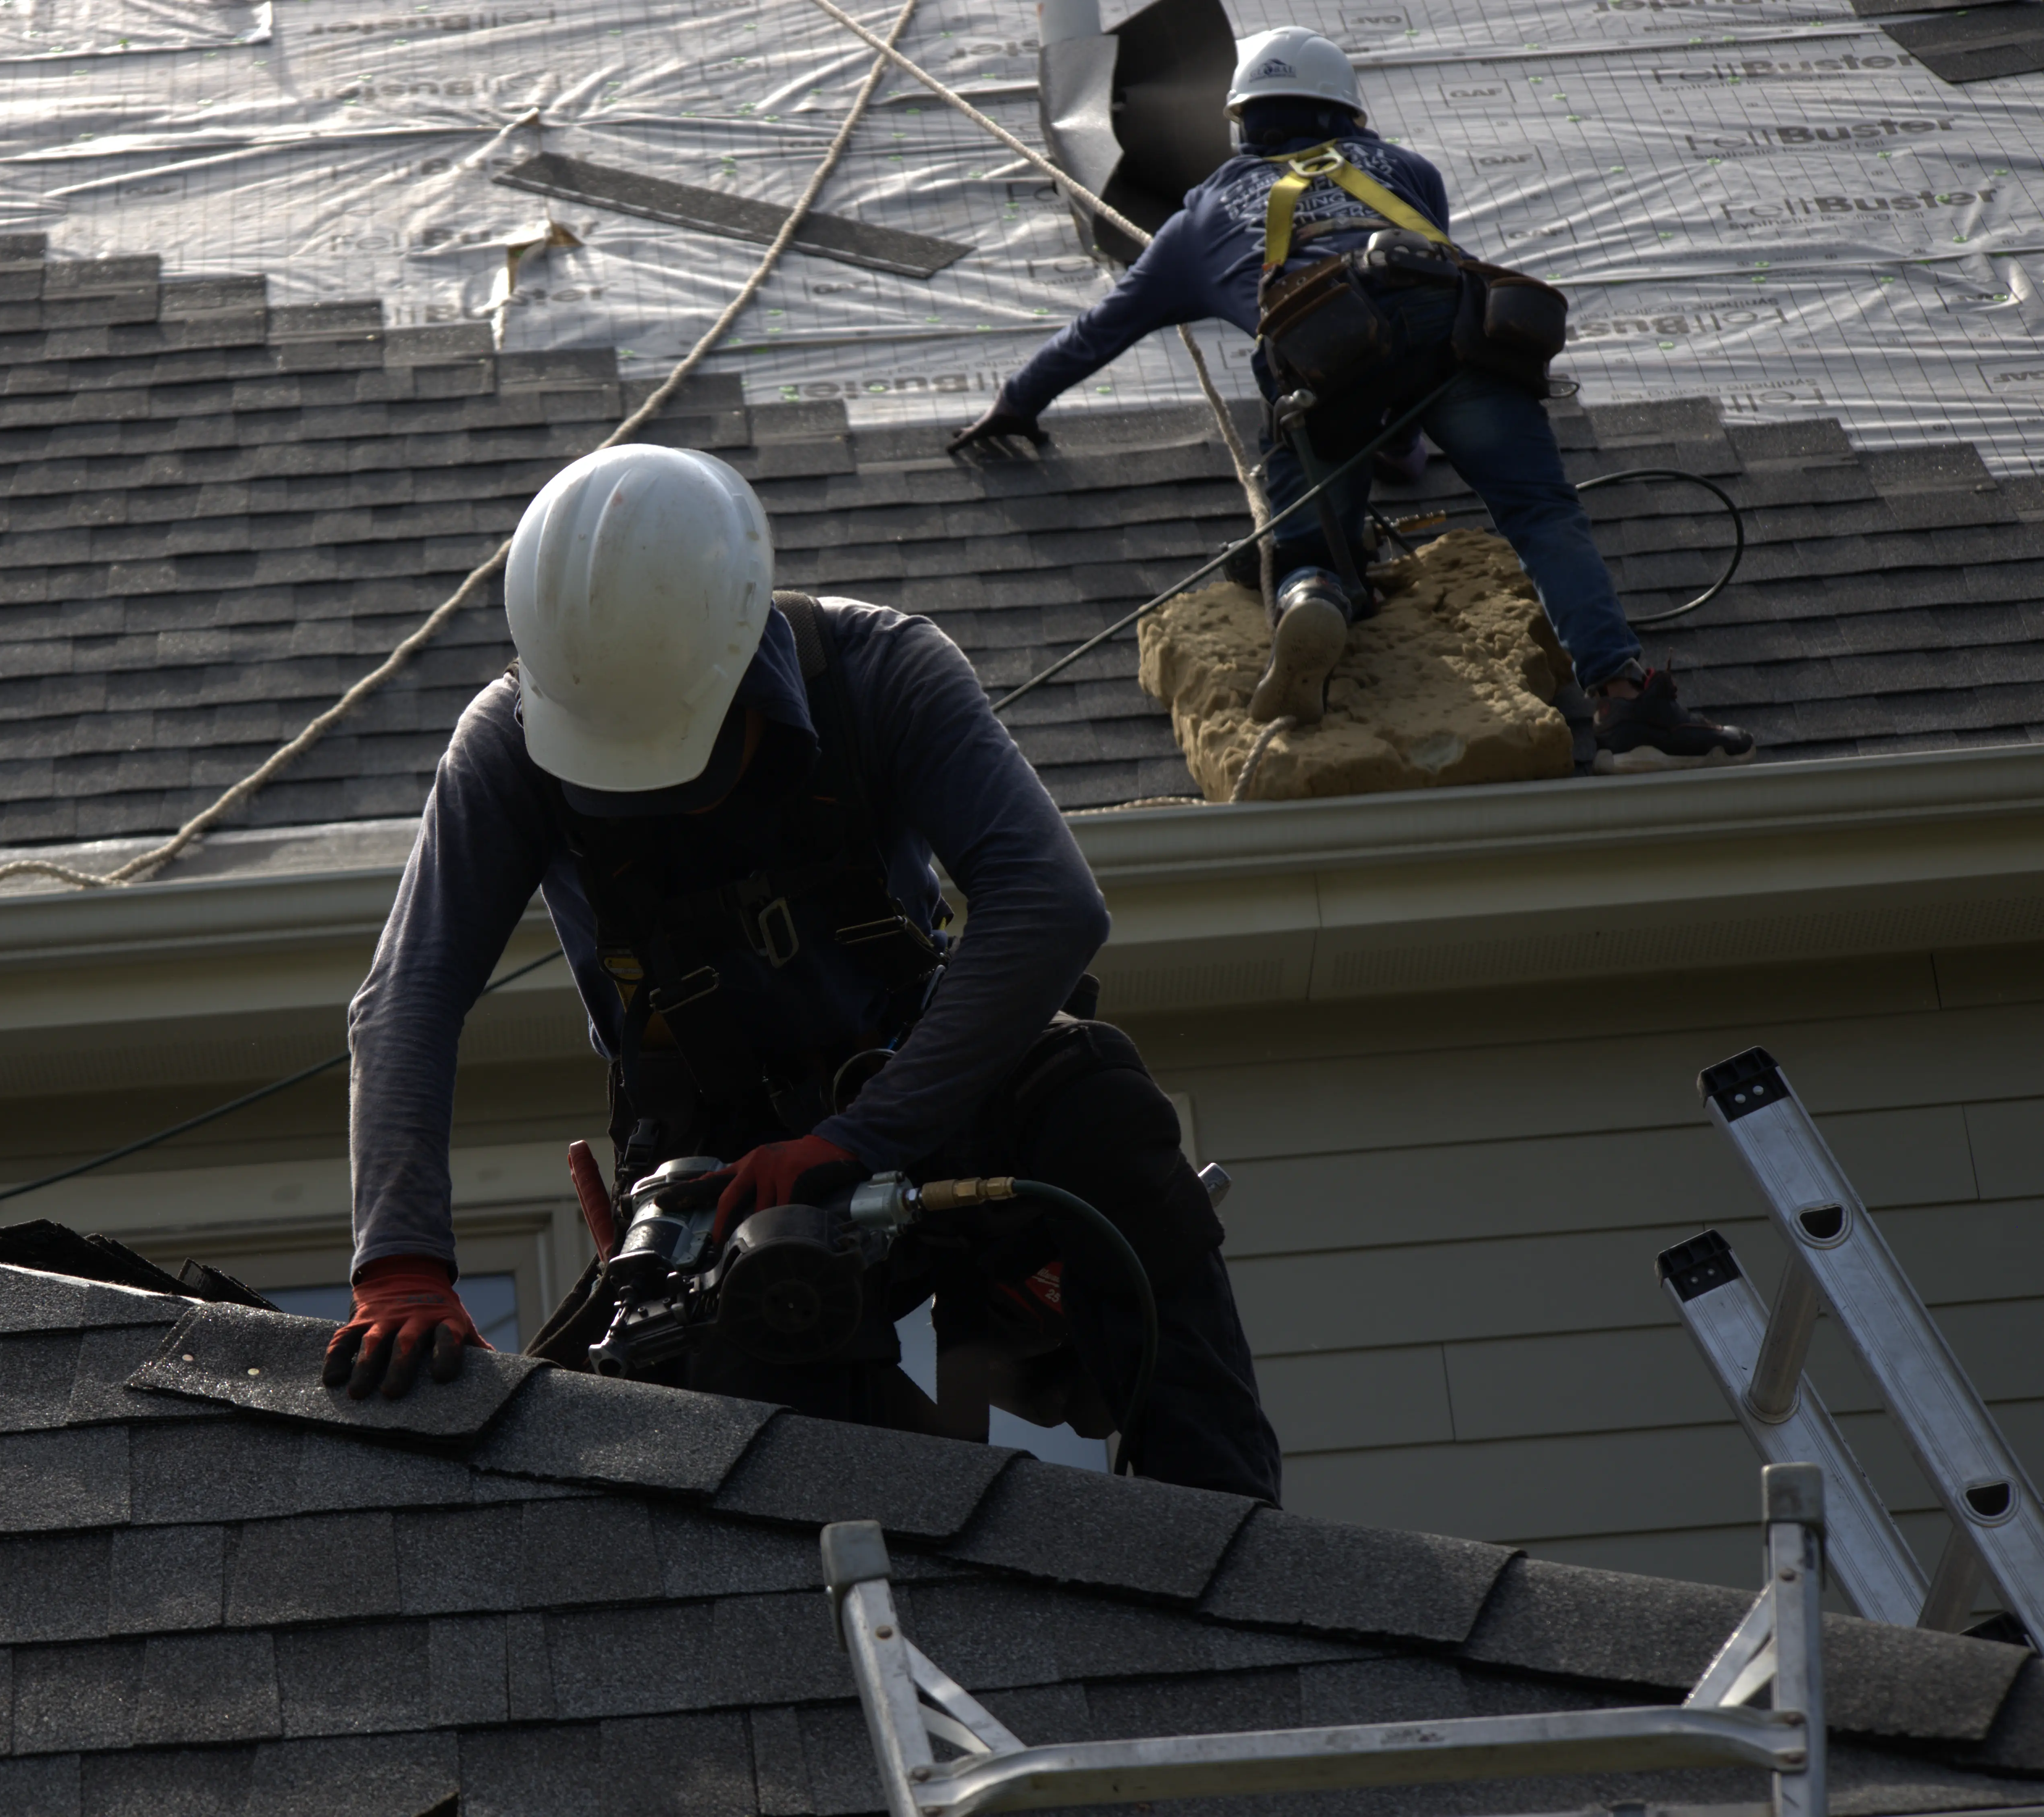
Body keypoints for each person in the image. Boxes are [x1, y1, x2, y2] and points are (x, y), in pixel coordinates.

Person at [328, 442, 1281, 1504]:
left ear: (744, 652)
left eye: (680, 755)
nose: (661, 801)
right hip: (716, 1168)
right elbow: (407, 992)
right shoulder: (509, 746)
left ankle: (1234, 1546)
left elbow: (1049, 907)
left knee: (1092, 1094)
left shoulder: (882, 676)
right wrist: (400, 1265)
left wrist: (855, 1139)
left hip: (921, 1092)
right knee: (773, 1440)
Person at [951, 26, 1755, 775]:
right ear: (1347, 111)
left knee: (1307, 536)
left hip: (1320, 352)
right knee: (1541, 515)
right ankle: (1623, 700)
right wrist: (1404, 447)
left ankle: (1314, 590)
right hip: (1453, 334)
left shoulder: (1202, 217)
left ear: (1240, 122)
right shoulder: (1404, 173)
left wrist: (1017, 404)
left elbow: (1097, 331)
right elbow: (1411, 315)